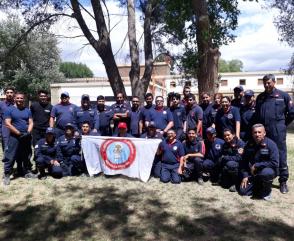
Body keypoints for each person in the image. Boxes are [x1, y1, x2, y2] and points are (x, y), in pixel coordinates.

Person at [255, 74, 294, 194]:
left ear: (274, 82)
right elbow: (257, 114)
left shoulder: (284, 96)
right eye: (265, 83)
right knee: (264, 153)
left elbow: (291, 113)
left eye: (269, 83)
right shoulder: (260, 97)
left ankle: (283, 181)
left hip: (278, 131)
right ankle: (266, 177)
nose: (267, 85)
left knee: (281, 154)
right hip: (264, 132)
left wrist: (281, 125)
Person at [2, 92, 36, 185]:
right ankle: (7, 174)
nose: (20, 100)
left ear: (24, 99)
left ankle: (27, 171)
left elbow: (31, 122)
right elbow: (8, 124)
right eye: (18, 98)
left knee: (27, 154)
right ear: (14, 99)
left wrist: (28, 132)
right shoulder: (9, 110)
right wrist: (18, 133)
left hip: (26, 136)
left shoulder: (27, 110)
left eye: (21, 98)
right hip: (14, 137)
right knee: (10, 155)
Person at [239, 124, 279, 200]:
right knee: (243, 191)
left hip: (267, 171)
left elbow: (275, 162)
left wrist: (257, 165)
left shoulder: (271, 144)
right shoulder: (249, 144)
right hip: (253, 173)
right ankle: (258, 186)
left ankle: (267, 190)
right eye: (255, 132)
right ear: (252, 134)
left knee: (266, 173)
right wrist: (245, 175)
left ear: (264, 133)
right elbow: (244, 161)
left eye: (259, 132)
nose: (257, 134)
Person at [0, 86, 15, 151]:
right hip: (5, 130)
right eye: (7, 92)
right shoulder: (1, 104)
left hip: (16, 129)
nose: (9, 94)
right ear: (5, 94)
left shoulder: (17, 104)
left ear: (14, 93)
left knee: (16, 150)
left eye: (11, 92)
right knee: (6, 150)